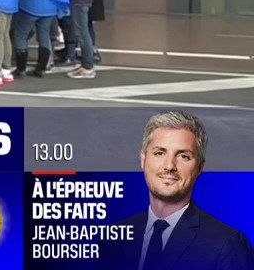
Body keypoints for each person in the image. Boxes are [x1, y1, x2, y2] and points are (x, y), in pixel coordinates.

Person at [109, 112, 254, 270]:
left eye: (183, 156)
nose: (170, 165)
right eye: (159, 153)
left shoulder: (227, 244)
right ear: (143, 160)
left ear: (199, 167)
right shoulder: (114, 238)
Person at [12, 0, 57, 78]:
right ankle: (41, 68)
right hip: (50, 4)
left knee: (21, 35)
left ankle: (21, 69)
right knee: (44, 35)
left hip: (30, 3)